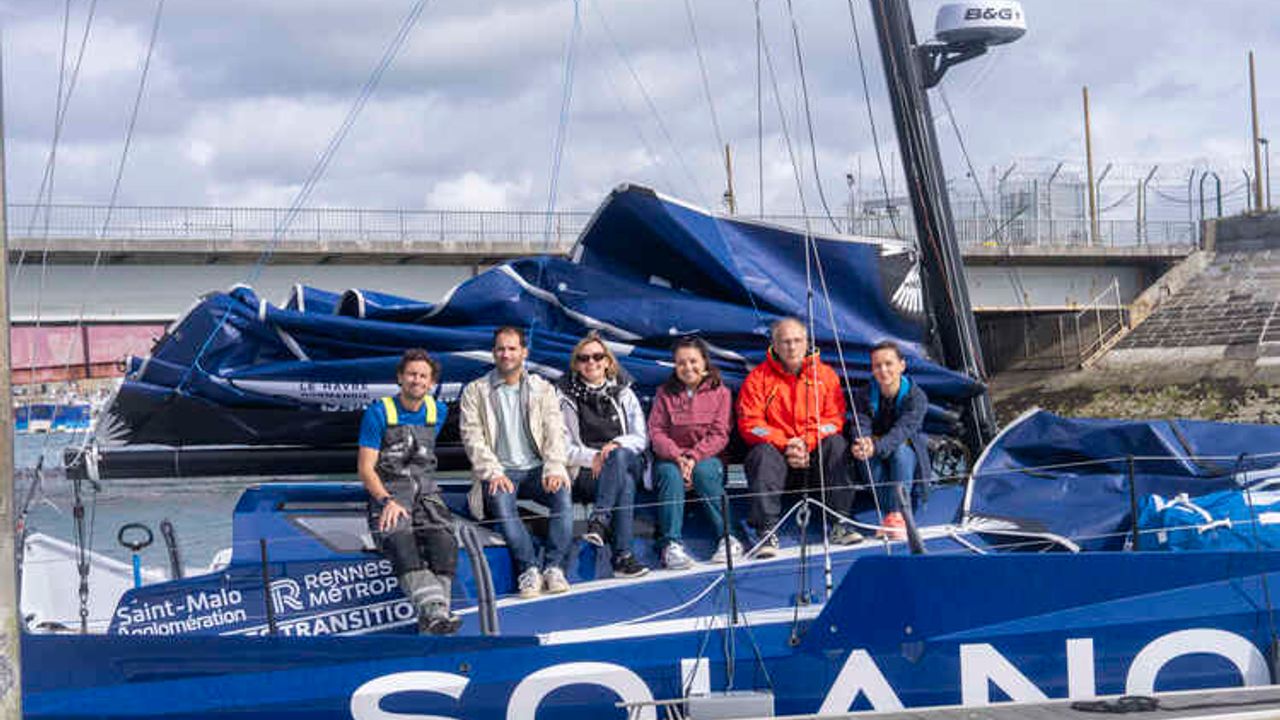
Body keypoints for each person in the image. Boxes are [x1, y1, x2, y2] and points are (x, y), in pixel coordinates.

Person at [460, 326, 573, 599]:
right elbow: (472, 438)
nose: (506, 354)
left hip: (537, 469)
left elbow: (555, 432)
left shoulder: (542, 388)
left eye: (512, 348)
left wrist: (554, 467)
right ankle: (529, 569)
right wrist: (493, 472)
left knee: (562, 493)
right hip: (501, 471)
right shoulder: (476, 391)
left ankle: (554, 567)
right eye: (500, 349)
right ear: (493, 353)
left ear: (524, 352)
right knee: (501, 500)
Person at [738, 317, 861, 558]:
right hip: (778, 458)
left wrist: (807, 442)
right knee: (761, 454)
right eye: (785, 341)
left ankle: (840, 522)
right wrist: (786, 443)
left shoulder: (826, 376)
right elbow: (750, 424)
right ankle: (766, 531)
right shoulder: (758, 379)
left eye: (797, 340)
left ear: (807, 342)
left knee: (836, 444)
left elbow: (834, 419)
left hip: (814, 457)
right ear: (775, 344)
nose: (792, 347)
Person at [357, 348, 460, 634]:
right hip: (390, 494)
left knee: (445, 542)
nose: (417, 380)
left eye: (423, 376)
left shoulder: (438, 411)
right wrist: (386, 501)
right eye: (412, 374)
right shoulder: (378, 413)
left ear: (431, 383)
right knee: (401, 542)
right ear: (400, 378)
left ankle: (435, 616)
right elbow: (365, 469)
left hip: (427, 495)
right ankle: (437, 612)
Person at [558, 332, 650, 578]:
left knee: (618, 458)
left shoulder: (624, 392)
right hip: (589, 470)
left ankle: (599, 520)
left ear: (608, 361)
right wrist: (595, 457)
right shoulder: (564, 397)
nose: (591, 362)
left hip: (627, 460)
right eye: (584, 358)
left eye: (598, 356)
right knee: (624, 484)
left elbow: (640, 438)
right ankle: (622, 557)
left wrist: (616, 445)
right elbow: (563, 447)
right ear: (576, 364)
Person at [648, 336, 742, 569]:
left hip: (707, 458)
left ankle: (729, 537)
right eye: (681, 363)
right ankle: (670, 545)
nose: (688, 367)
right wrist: (678, 456)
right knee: (669, 475)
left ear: (705, 362)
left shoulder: (721, 392)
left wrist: (693, 457)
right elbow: (656, 432)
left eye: (693, 361)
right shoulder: (664, 393)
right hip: (672, 459)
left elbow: (720, 434)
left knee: (703, 472)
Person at [851, 340, 930, 541]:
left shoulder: (916, 397)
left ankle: (896, 515)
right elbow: (860, 423)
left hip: (905, 450)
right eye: (877, 366)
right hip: (875, 449)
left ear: (901, 365)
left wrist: (875, 447)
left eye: (888, 364)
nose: (883, 370)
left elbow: (902, 431)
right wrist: (863, 442)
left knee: (900, 451)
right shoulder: (863, 395)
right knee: (862, 454)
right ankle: (893, 516)